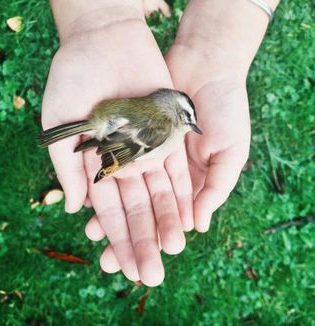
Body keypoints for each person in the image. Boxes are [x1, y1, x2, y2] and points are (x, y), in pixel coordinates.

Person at [42, 0, 280, 287]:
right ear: (177, 114)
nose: (190, 126)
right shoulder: (165, 127)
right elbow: (131, 145)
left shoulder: (160, 107)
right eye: (187, 119)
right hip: (113, 127)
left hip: (111, 117)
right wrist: (109, 166)